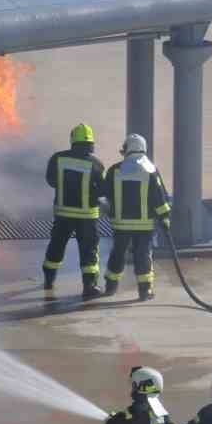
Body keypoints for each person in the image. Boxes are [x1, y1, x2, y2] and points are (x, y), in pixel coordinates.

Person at [101, 134, 172, 301]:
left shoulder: (114, 170)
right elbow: (159, 197)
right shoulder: (150, 169)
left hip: (120, 224)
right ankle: (144, 291)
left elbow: (104, 194)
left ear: (127, 150)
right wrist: (165, 217)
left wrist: (109, 211)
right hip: (144, 225)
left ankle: (110, 287)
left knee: (117, 254)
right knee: (143, 255)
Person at [43, 122, 105, 301]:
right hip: (87, 217)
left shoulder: (58, 158)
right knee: (89, 251)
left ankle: (49, 280)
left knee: (56, 246)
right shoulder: (96, 164)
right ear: (91, 142)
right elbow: (102, 189)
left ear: (73, 140)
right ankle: (89, 286)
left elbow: (51, 180)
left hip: (63, 214)